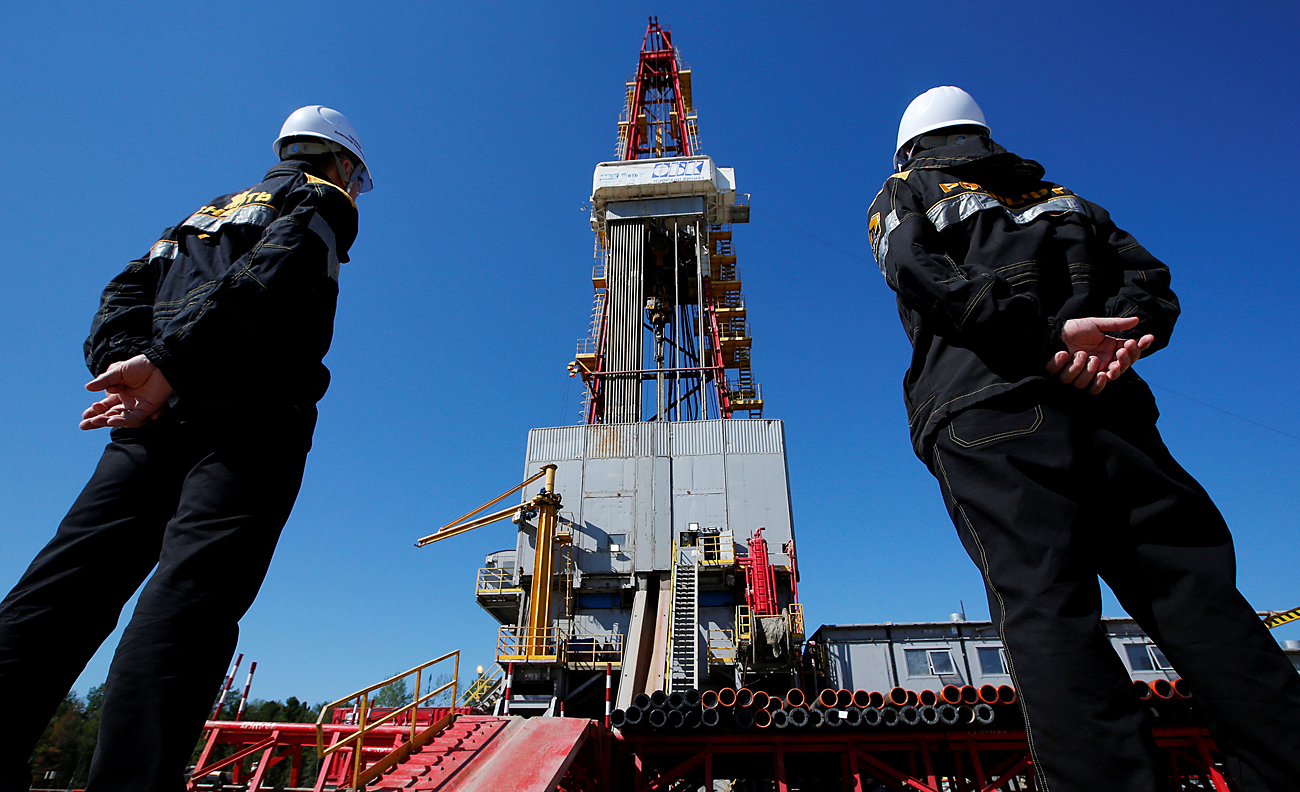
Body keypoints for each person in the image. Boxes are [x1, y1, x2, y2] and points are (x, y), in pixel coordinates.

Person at [867, 86, 1300, 791]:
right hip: (1110, 409)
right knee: (1198, 597)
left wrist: (1040, 340)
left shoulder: (904, 187)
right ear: (982, 134)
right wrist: (1117, 345)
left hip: (993, 413)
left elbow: (918, 271)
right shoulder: (1067, 198)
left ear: (911, 145)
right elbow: (1151, 284)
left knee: (1047, 609)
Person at [0, 105, 371, 792]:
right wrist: (170, 361)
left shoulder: (195, 218)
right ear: (342, 164)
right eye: (356, 176)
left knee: (63, 587)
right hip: (253, 415)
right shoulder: (320, 198)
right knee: (190, 598)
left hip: (152, 416)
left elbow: (121, 292)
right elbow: (280, 273)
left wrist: (140, 367)